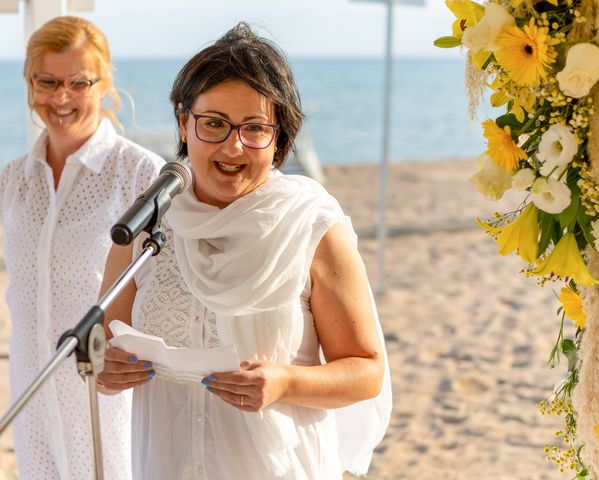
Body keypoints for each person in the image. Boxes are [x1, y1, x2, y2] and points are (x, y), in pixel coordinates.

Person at [98, 22, 392, 480]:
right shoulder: (146, 222)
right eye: (214, 123)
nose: (233, 145)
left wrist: (286, 382)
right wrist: (107, 367)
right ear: (183, 122)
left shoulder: (312, 225)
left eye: (254, 128)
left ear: (278, 136)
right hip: (166, 463)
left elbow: (366, 371)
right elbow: (102, 345)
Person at [0, 16, 165, 480]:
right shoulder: (13, 180)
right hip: (32, 394)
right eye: (47, 82)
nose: (61, 98)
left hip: (110, 400)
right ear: (29, 83)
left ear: (104, 83)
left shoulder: (139, 174)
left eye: (78, 83)